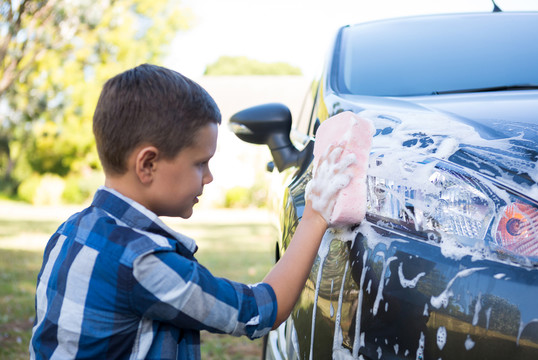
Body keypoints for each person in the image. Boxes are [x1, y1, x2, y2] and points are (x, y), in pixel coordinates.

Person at [29, 64, 350, 359]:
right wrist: (315, 215)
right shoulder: (143, 263)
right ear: (148, 164)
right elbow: (259, 310)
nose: (208, 177)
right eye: (200, 163)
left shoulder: (68, 231)